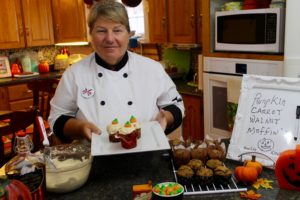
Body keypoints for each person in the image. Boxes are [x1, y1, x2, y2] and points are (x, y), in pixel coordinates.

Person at [48, 0, 185, 143]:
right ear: (91, 35)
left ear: (128, 34)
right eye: (101, 31)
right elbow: (57, 118)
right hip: (94, 158)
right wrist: (79, 127)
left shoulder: (152, 69)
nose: (109, 38)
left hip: (147, 153)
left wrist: (166, 118)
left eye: (117, 30)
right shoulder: (74, 74)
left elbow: (176, 107)